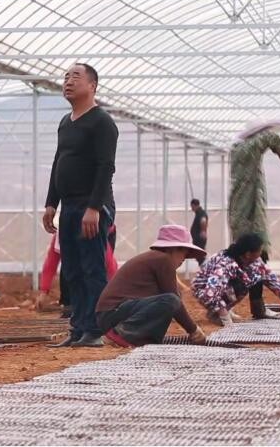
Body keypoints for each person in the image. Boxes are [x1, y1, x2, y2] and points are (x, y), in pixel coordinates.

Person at [43, 63, 119, 347]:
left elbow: (105, 167)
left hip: (92, 207)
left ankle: (95, 330)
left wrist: (95, 208)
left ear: (92, 86)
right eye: (65, 77)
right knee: (72, 269)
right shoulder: (66, 122)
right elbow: (57, 163)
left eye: (75, 77)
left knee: (92, 267)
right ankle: (77, 328)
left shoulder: (102, 122)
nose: (68, 81)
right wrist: (52, 202)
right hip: (69, 206)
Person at [228, 119, 280, 317]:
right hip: (246, 218)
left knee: (256, 260)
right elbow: (268, 138)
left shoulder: (246, 153)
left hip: (249, 216)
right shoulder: (244, 150)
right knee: (247, 260)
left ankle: (255, 307)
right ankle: (227, 305)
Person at [97, 225, 208, 347]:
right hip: (112, 315)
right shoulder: (163, 259)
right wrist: (193, 330)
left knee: (170, 301)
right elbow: (174, 301)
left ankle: (138, 337)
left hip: (110, 315)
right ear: (172, 249)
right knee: (171, 301)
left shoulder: (156, 259)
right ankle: (122, 334)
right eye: (182, 252)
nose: (184, 259)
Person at [191, 233, 280, 326]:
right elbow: (210, 293)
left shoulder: (254, 261)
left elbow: (273, 280)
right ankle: (216, 314)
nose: (261, 253)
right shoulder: (225, 264)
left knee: (256, 276)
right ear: (248, 254)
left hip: (216, 288)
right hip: (203, 288)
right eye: (259, 250)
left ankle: (259, 310)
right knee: (241, 286)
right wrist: (224, 317)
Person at [36, 219, 118, 318]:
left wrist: (112, 295)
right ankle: (70, 305)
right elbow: (50, 264)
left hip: (101, 228)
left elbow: (110, 266)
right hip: (77, 222)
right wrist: (44, 292)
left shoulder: (96, 237)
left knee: (95, 270)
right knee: (68, 268)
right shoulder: (60, 238)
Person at [189, 199, 208, 265]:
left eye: (192, 207)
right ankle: (203, 267)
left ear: (195, 205)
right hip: (197, 239)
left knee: (200, 255)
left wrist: (203, 231)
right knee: (198, 255)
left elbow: (203, 220)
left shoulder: (201, 213)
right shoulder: (198, 213)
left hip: (199, 239)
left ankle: (204, 267)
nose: (192, 209)